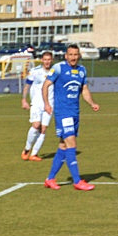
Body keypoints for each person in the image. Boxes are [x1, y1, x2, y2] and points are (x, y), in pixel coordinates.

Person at [42, 44, 99, 191]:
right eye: (70, 54)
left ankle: (50, 179)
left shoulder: (82, 71)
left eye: (75, 54)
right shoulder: (59, 68)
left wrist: (92, 103)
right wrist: (47, 104)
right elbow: (46, 85)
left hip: (75, 112)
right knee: (72, 144)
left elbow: (84, 90)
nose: (73, 57)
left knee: (63, 146)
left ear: (79, 56)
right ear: (66, 56)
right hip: (62, 113)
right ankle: (77, 180)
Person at [20, 50, 54, 162]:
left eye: (49, 59)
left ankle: (34, 154)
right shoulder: (35, 71)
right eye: (45, 59)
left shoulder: (55, 72)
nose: (47, 62)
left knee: (43, 129)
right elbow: (27, 86)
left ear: (52, 60)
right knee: (36, 125)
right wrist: (24, 100)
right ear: (42, 60)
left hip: (49, 104)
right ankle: (26, 149)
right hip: (37, 103)